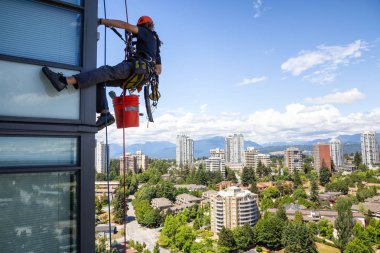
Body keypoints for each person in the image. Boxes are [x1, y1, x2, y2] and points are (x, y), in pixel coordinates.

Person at [42, 16, 162, 130]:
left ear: (143, 25)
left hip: (137, 68)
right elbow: (159, 70)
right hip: (142, 76)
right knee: (100, 80)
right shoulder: (156, 44)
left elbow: (125, 25)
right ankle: (105, 115)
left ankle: (63, 81)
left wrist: (101, 21)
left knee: (106, 71)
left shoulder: (145, 32)